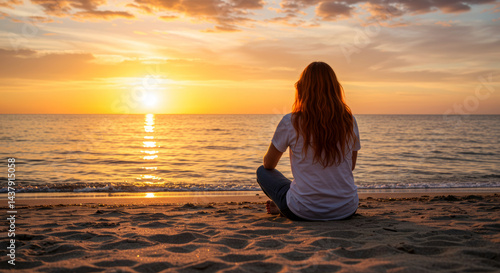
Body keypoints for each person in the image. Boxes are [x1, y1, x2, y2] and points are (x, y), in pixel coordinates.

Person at [256, 61, 361, 221]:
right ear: (334, 88)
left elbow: (268, 165)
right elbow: (350, 167)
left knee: (262, 172)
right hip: (346, 209)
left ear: (303, 89)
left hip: (302, 210)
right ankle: (292, 197)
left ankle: (285, 204)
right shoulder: (349, 121)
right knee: (301, 184)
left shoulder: (290, 121)